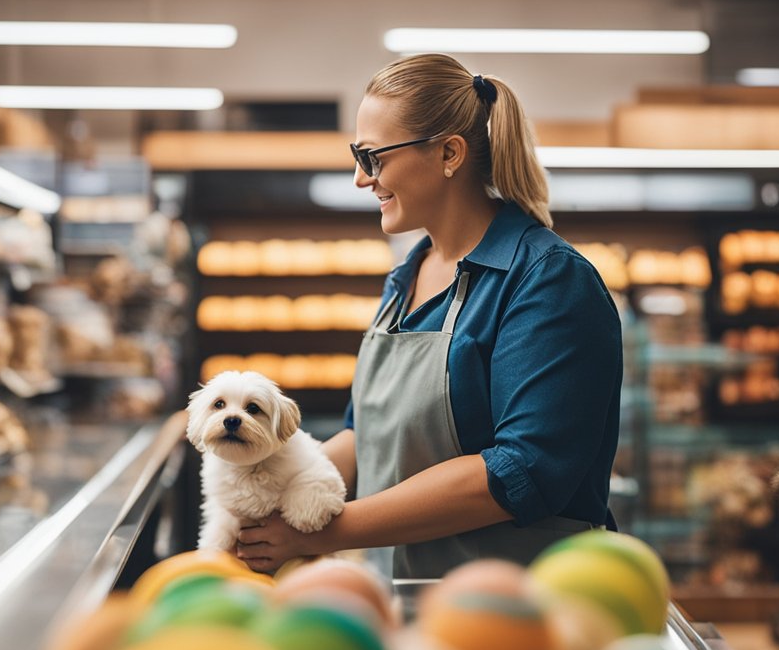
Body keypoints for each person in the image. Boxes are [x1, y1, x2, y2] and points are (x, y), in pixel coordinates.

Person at [235, 53, 623, 578]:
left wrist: (328, 531)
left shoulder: (546, 281)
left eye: (373, 157)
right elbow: (363, 432)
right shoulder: (406, 278)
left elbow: (520, 471)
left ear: (448, 153)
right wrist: (270, 493)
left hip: (521, 612)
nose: (359, 178)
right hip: (402, 597)